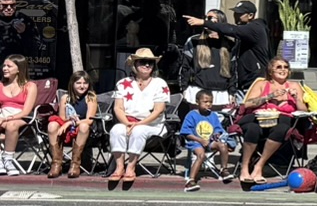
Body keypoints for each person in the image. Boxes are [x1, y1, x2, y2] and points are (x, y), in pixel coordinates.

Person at [107, 48, 170, 190]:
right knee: (116, 130)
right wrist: (128, 123)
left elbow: (159, 110)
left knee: (139, 131)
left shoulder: (160, 83)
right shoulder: (123, 83)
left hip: (152, 125)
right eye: (143, 62)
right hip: (128, 121)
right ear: (135, 64)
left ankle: (131, 167)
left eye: (150, 63)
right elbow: (118, 108)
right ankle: (119, 167)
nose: (147, 65)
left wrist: (138, 124)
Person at [237, 55, 306, 185]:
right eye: (279, 67)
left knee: (282, 127)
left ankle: (259, 166)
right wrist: (269, 96)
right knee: (252, 129)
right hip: (259, 118)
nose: (283, 69)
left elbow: (304, 111)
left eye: (286, 67)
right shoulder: (262, 84)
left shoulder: (294, 86)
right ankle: (244, 167)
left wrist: (296, 98)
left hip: (282, 123)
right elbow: (248, 104)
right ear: (270, 71)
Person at [187, 2, 270, 94]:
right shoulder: (244, 31)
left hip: (255, 83)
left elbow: (231, 29)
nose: (236, 16)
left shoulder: (255, 28)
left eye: (240, 13)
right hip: (244, 84)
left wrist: (204, 22)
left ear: (250, 15)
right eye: (235, 12)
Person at [45, 70, 97, 179]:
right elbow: (62, 118)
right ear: (72, 83)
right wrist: (68, 121)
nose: (82, 86)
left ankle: (75, 165)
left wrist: (71, 122)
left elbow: (89, 120)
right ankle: (56, 164)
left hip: (83, 129)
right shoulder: (65, 98)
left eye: (85, 83)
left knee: (84, 126)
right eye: (78, 83)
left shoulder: (90, 97)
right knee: (52, 125)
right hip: (68, 128)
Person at [180, 90, 232, 192]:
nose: (208, 104)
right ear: (197, 102)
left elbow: (218, 129)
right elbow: (186, 133)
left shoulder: (213, 115)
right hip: (195, 141)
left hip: (209, 141)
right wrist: (200, 140)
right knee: (201, 155)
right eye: (205, 102)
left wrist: (216, 134)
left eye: (210, 102)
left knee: (222, 145)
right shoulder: (191, 115)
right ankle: (191, 181)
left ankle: (224, 170)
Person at [0, 55, 33, 174]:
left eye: (9, 66)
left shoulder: (30, 86)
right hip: (3, 116)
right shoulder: (0, 85)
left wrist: (7, 119)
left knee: (11, 125)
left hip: (21, 118)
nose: (4, 68)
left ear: (19, 68)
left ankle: (8, 159)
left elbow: (26, 111)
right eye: (4, 65)